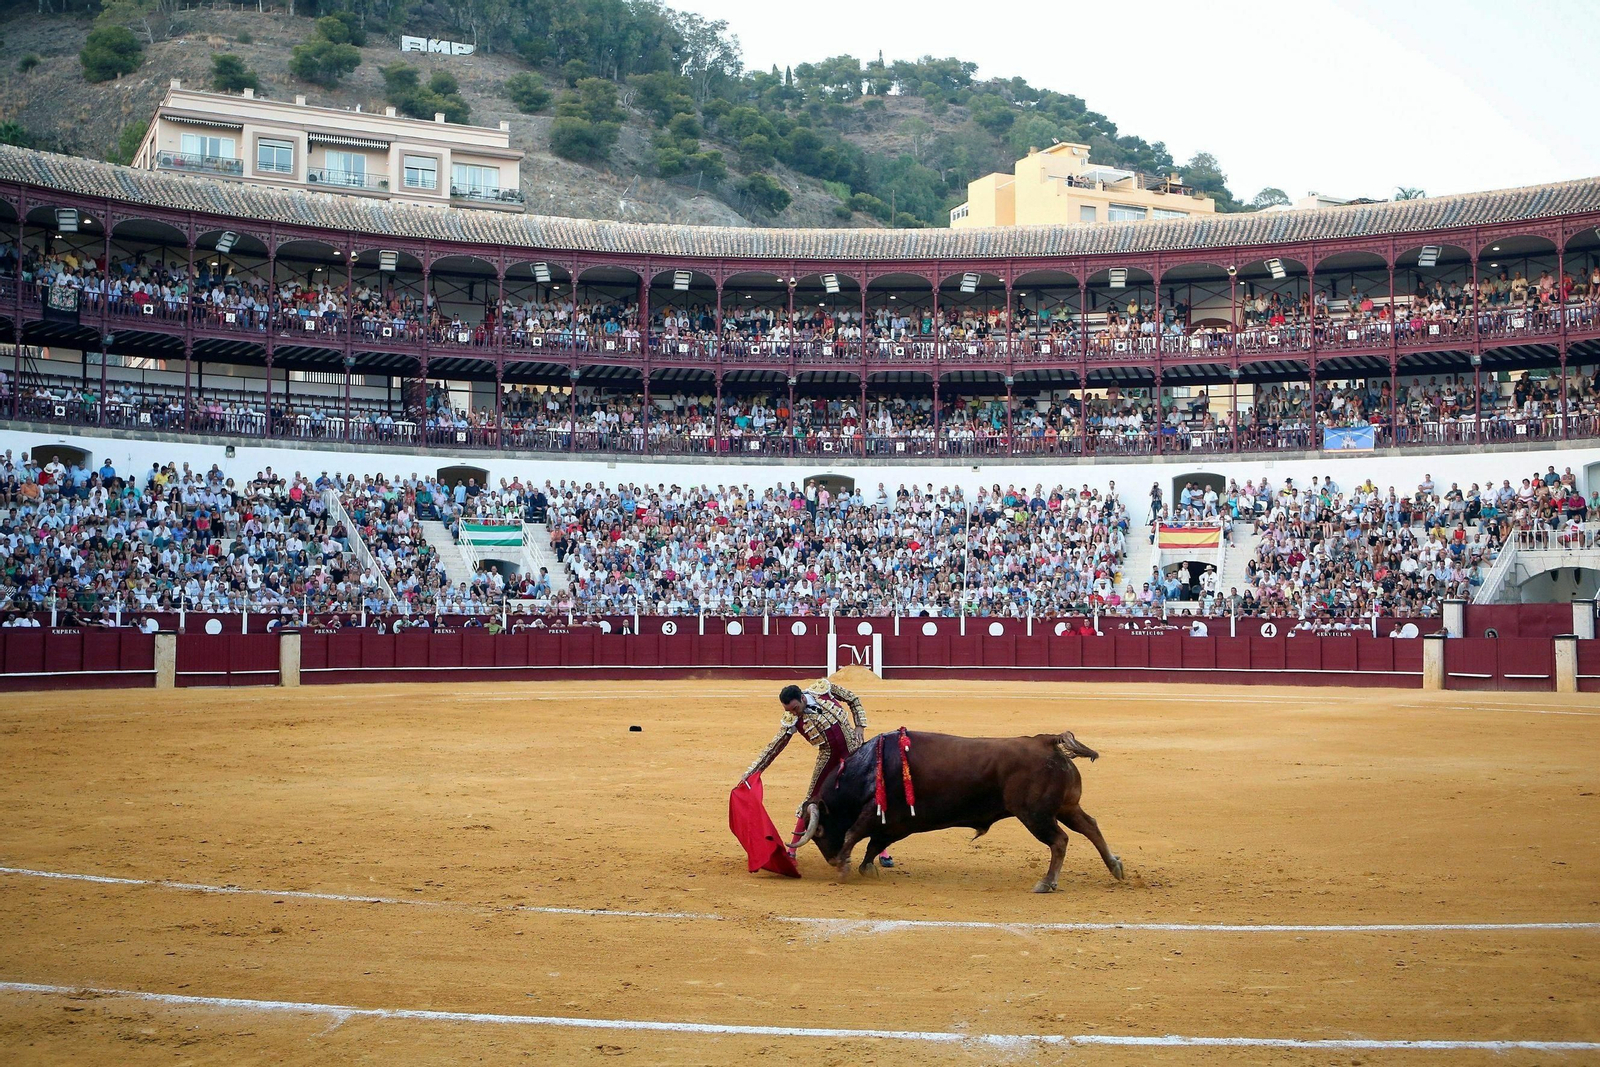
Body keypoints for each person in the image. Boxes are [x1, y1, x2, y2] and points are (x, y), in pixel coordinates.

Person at [743, 680, 893, 866]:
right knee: (811, 800)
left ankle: (881, 850)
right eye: (788, 710)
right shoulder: (792, 720)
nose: (793, 713)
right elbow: (774, 747)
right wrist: (752, 772)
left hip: (856, 753)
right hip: (828, 760)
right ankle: (791, 851)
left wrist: (860, 725)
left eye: (795, 708)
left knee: (872, 797)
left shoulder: (823, 689)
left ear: (802, 698)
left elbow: (853, 699)